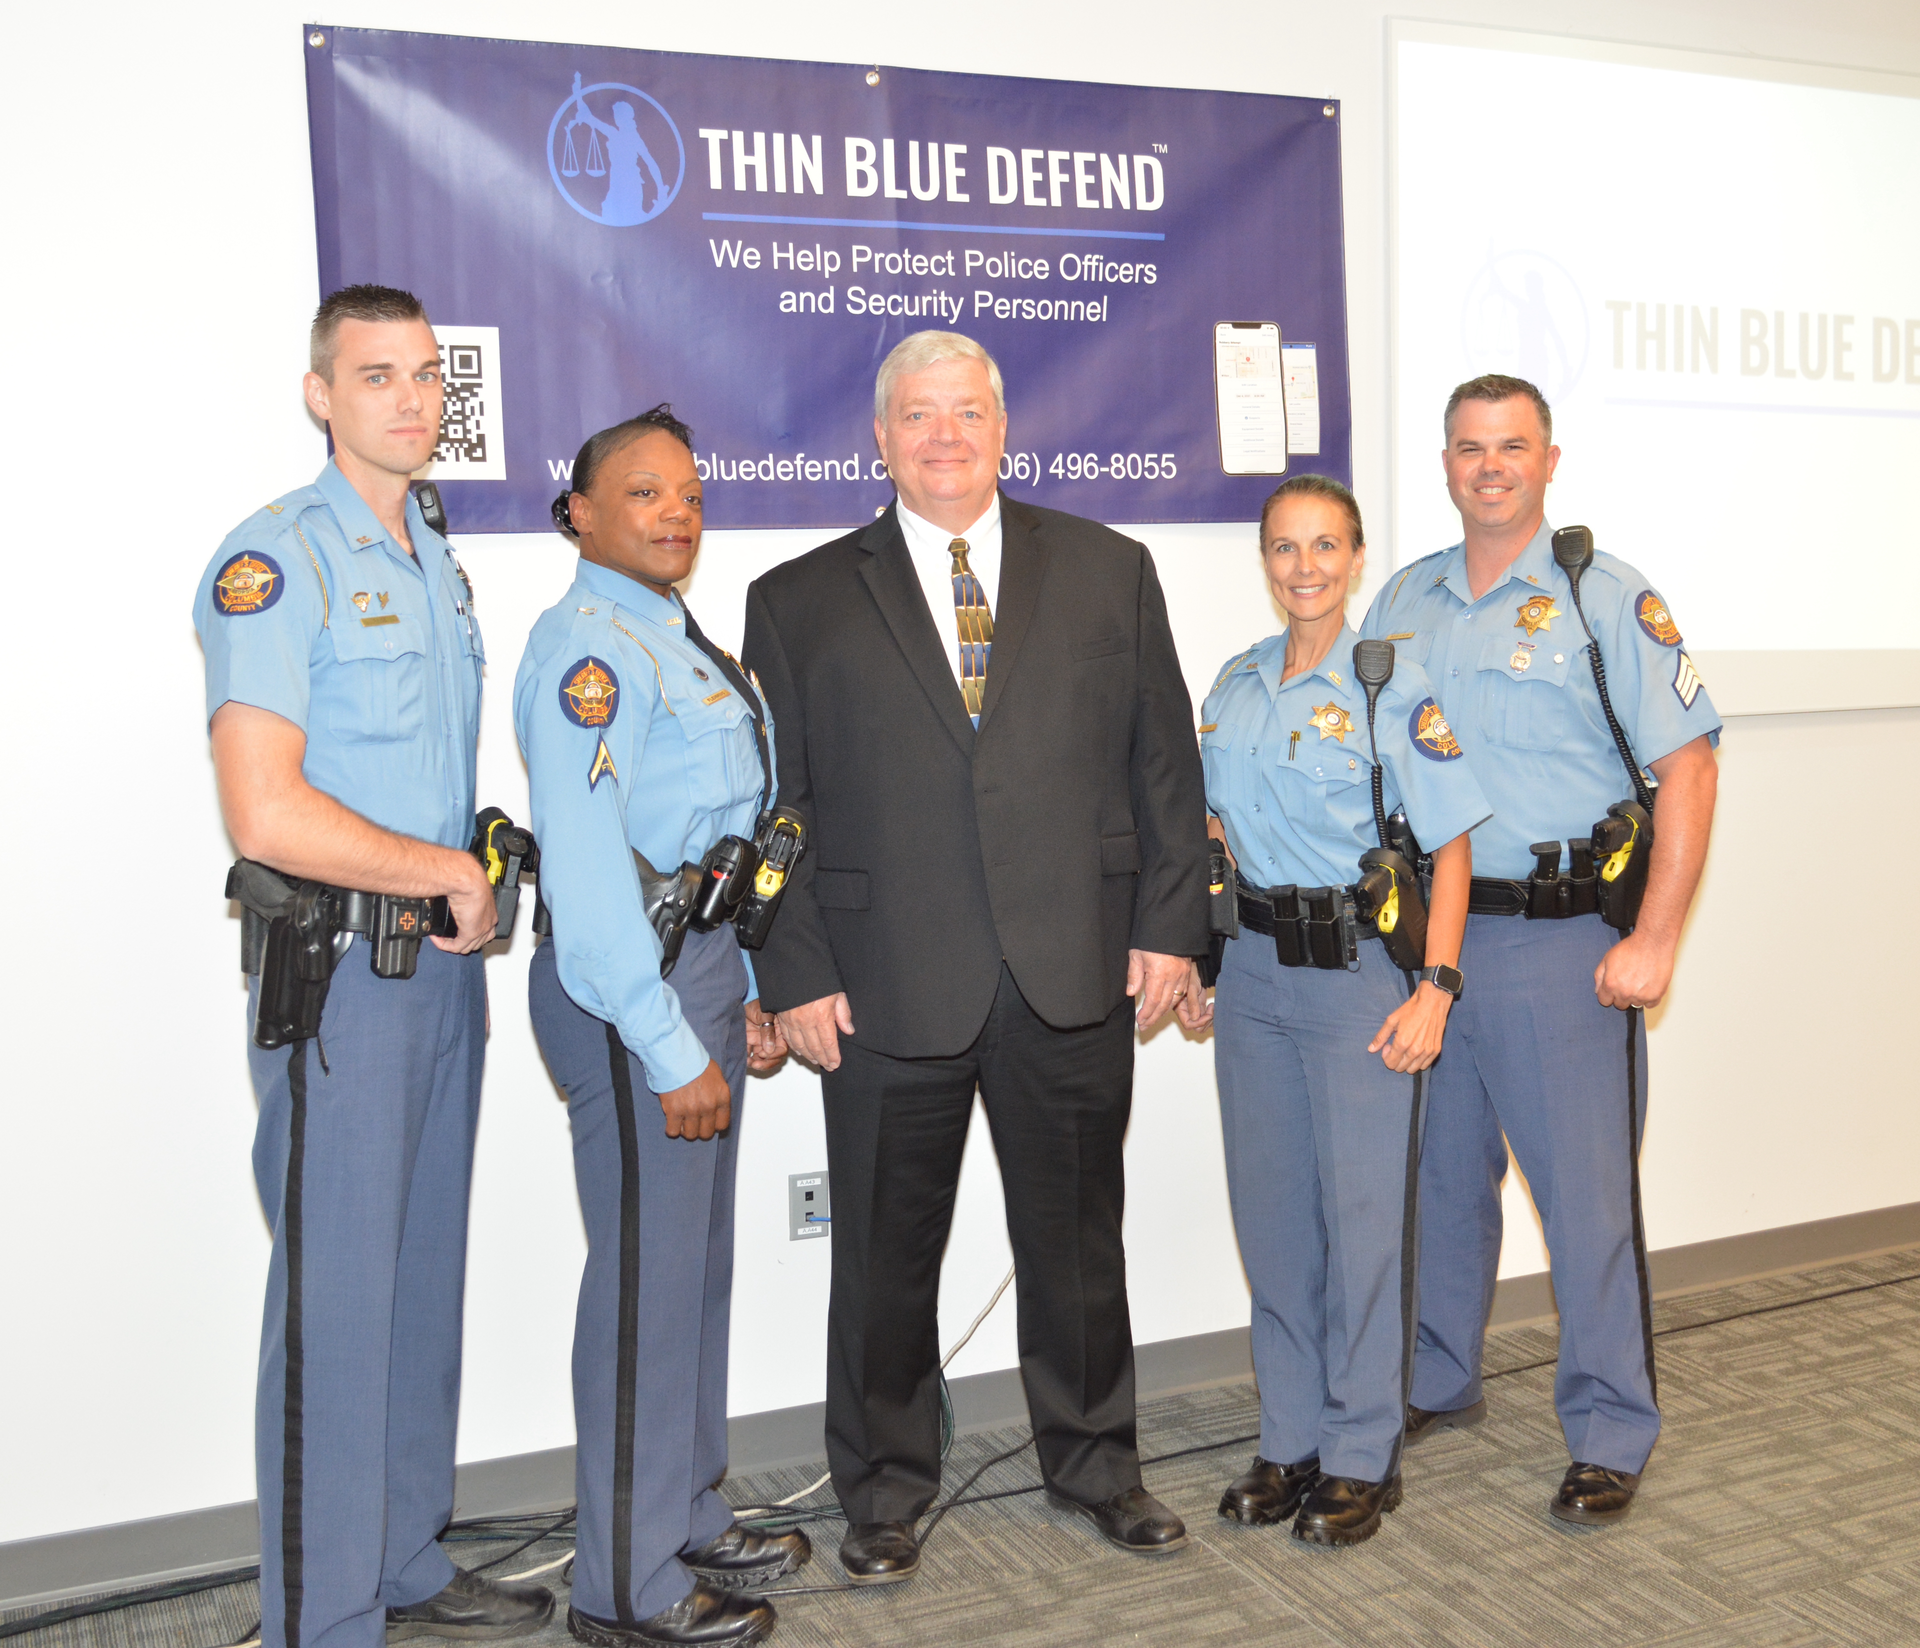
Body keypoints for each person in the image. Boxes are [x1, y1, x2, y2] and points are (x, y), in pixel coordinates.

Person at [741, 331, 1209, 1585]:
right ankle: (885, 1488)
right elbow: (777, 808)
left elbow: (1165, 762)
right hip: (883, 982)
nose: (944, 437)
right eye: (917, 416)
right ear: (879, 438)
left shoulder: (1111, 569)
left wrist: (1172, 924)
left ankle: (1099, 1463)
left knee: (1076, 1240)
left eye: (966, 413)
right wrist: (793, 970)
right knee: (885, 1257)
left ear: (1005, 427)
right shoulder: (795, 599)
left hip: (1073, 965)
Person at [193, 285, 552, 1648]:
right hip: (339, 983)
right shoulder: (274, 561)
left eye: (426, 379)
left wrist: (473, 869)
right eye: (378, 375)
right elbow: (265, 811)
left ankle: (401, 1559)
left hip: (438, 980)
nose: (412, 400)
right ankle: (319, 1614)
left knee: (418, 1286)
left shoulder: (431, 555)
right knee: (337, 1308)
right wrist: (445, 869)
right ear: (320, 394)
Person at [1360, 373, 1720, 1524]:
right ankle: (1437, 1375)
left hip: (1566, 946)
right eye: (1470, 447)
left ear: (1549, 459)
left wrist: (1655, 938)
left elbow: (1691, 769)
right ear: (1447, 461)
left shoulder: (1602, 596)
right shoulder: (1403, 602)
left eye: (1512, 446)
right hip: (1436, 942)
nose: (1490, 466)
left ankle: (1612, 1425)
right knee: (1438, 1179)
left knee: (1585, 1200)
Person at [517, 407, 802, 1648]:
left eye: (688, 491)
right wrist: (666, 1036)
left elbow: (708, 847)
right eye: (643, 492)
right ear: (580, 512)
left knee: (693, 1274)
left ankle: (685, 1513)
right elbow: (585, 885)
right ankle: (622, 1588)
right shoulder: (589, 651)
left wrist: (728, 991)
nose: (675, 511)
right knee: (642, 1289)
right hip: (626, 993)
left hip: (691, 972)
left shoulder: (674, 634)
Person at [1194, 475, 1490, 1547]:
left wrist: (1437, 986)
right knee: (1273, 1223)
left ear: (1358, 558)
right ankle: (1291, 1436)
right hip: (1257, 978)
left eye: (1325, 546)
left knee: (1364, 1225)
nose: (1304, 566)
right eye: (1284, 547)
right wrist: (1200, 956)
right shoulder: (1232, 685)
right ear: (1265, 559)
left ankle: (1363, 1450)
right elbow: (1213, 834)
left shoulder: (1389, 684)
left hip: (1363, 977)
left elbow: (1452, 845)